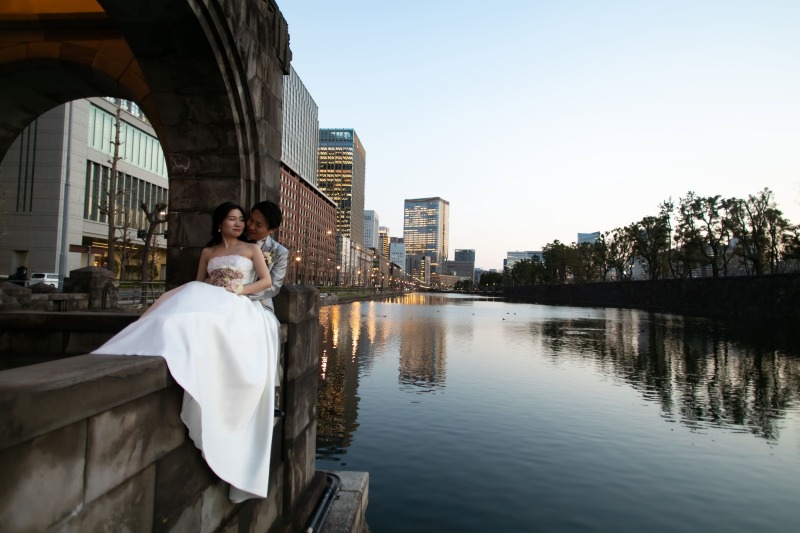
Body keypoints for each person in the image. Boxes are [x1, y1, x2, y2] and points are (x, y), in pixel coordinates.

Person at [92, 201, 280, 503]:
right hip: (209, 294)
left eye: (241, 220)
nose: (239, 224)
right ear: (219, 223)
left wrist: (238, 290)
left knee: (209, 322)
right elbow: (199, 280)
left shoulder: (252, 250)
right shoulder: (209, 252)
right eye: (232, 219)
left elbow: (266, 281)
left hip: (237, 301)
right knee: (180, 309)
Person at [244, 200, 288, 312]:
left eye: (258, 225)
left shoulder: (279, 252)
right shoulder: (235, 238)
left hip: (259, 304)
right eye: (250, 220)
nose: (251, 226)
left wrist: (242, 294)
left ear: (272, 230)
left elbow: (274, 287)